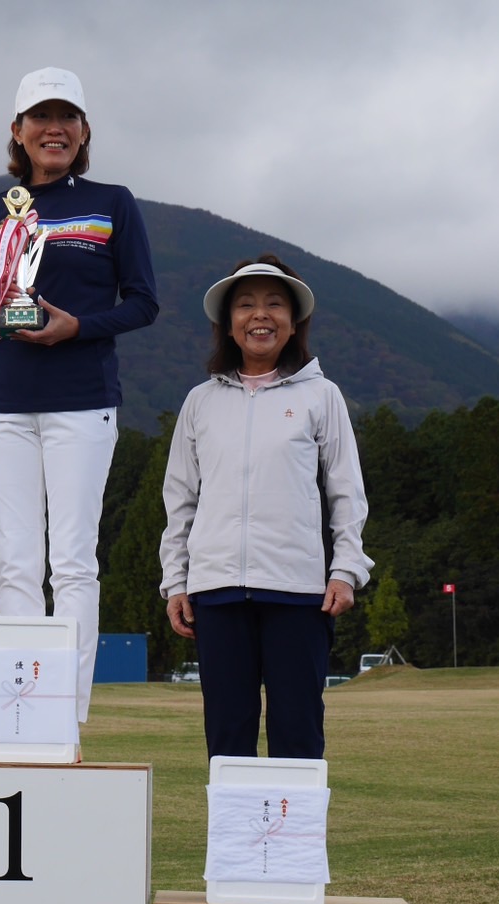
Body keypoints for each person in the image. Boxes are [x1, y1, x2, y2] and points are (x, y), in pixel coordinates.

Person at [0, 67, 158, 720]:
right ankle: (19, 711)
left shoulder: (112, 203)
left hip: (82, 401)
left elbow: (144, 302)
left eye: (67, 117)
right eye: (40, 116)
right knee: (15, 563)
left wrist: (75, 327)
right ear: (17, 130)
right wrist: (1, 319)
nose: (54, 127)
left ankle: (67, 714)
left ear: (84, 131)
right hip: (4, 405)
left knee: (71, 563)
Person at [158, 255, 373, 760]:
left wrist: (345, 570)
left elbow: (346, 491)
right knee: (228, 737)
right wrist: (177, 581)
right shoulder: (200, 402)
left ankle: (294, 842)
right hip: (217, 592)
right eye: (247, 304)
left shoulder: (322, 396)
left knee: (298, 733)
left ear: (294, 321)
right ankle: (234, 843)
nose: (261, 315)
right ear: (228, 323)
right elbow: (180, 500)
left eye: (276, 303)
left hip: (299, 593)